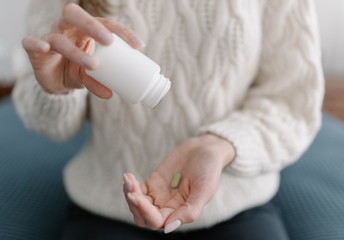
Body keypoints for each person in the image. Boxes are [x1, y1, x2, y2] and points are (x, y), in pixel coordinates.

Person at [13, 0, 324, 239]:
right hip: (106, 205)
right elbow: (50, 127)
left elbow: (293, 102)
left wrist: (219, 146)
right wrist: (55, 89)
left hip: (236, 205)